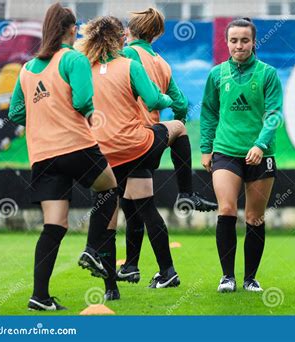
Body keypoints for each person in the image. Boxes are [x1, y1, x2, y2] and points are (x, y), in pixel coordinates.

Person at [8, 3, 118, 310]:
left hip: (43, 155)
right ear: (73, 30)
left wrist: (44, 115)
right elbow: (83, 100)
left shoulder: (27, 69)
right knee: (109, 189)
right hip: (75, 145)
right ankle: (92, 249)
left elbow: (17, 111)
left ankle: (39, 296)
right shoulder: (74, 59)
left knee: (53, 225)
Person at [78, 16, 186, 297]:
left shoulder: (83, 68)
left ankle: (111, 288)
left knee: (108, 219)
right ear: (120, 38)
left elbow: (76, 103)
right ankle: (188, 193)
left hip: (102, 154)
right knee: (146, 206)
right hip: (136, 147)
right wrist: (166, 100)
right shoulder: (131, 65)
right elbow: (154, 100)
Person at [116, 7, 218, 283]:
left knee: (141, 207)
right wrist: (175, 126)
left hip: (130, 139)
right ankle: (131, 266)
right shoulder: (162, 62)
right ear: (157, 34)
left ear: (129, 31)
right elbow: (182, 103)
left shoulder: (126, 56)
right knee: (131, 204)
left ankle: (167, 272)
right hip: (154, 139)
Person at [200, 18, 283, 292]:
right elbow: (209, 112)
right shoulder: (216, 74)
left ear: (253, 42)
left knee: (254, 218)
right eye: (234, 40)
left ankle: (250, 278)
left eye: (244, 40)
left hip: (261, 154)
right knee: (226, 209)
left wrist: (260, 145)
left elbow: (273, 115)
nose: (239, 45)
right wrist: (205, 147)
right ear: (227, 43)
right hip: (225, 152)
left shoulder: (268, 74)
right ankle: (227, 277)